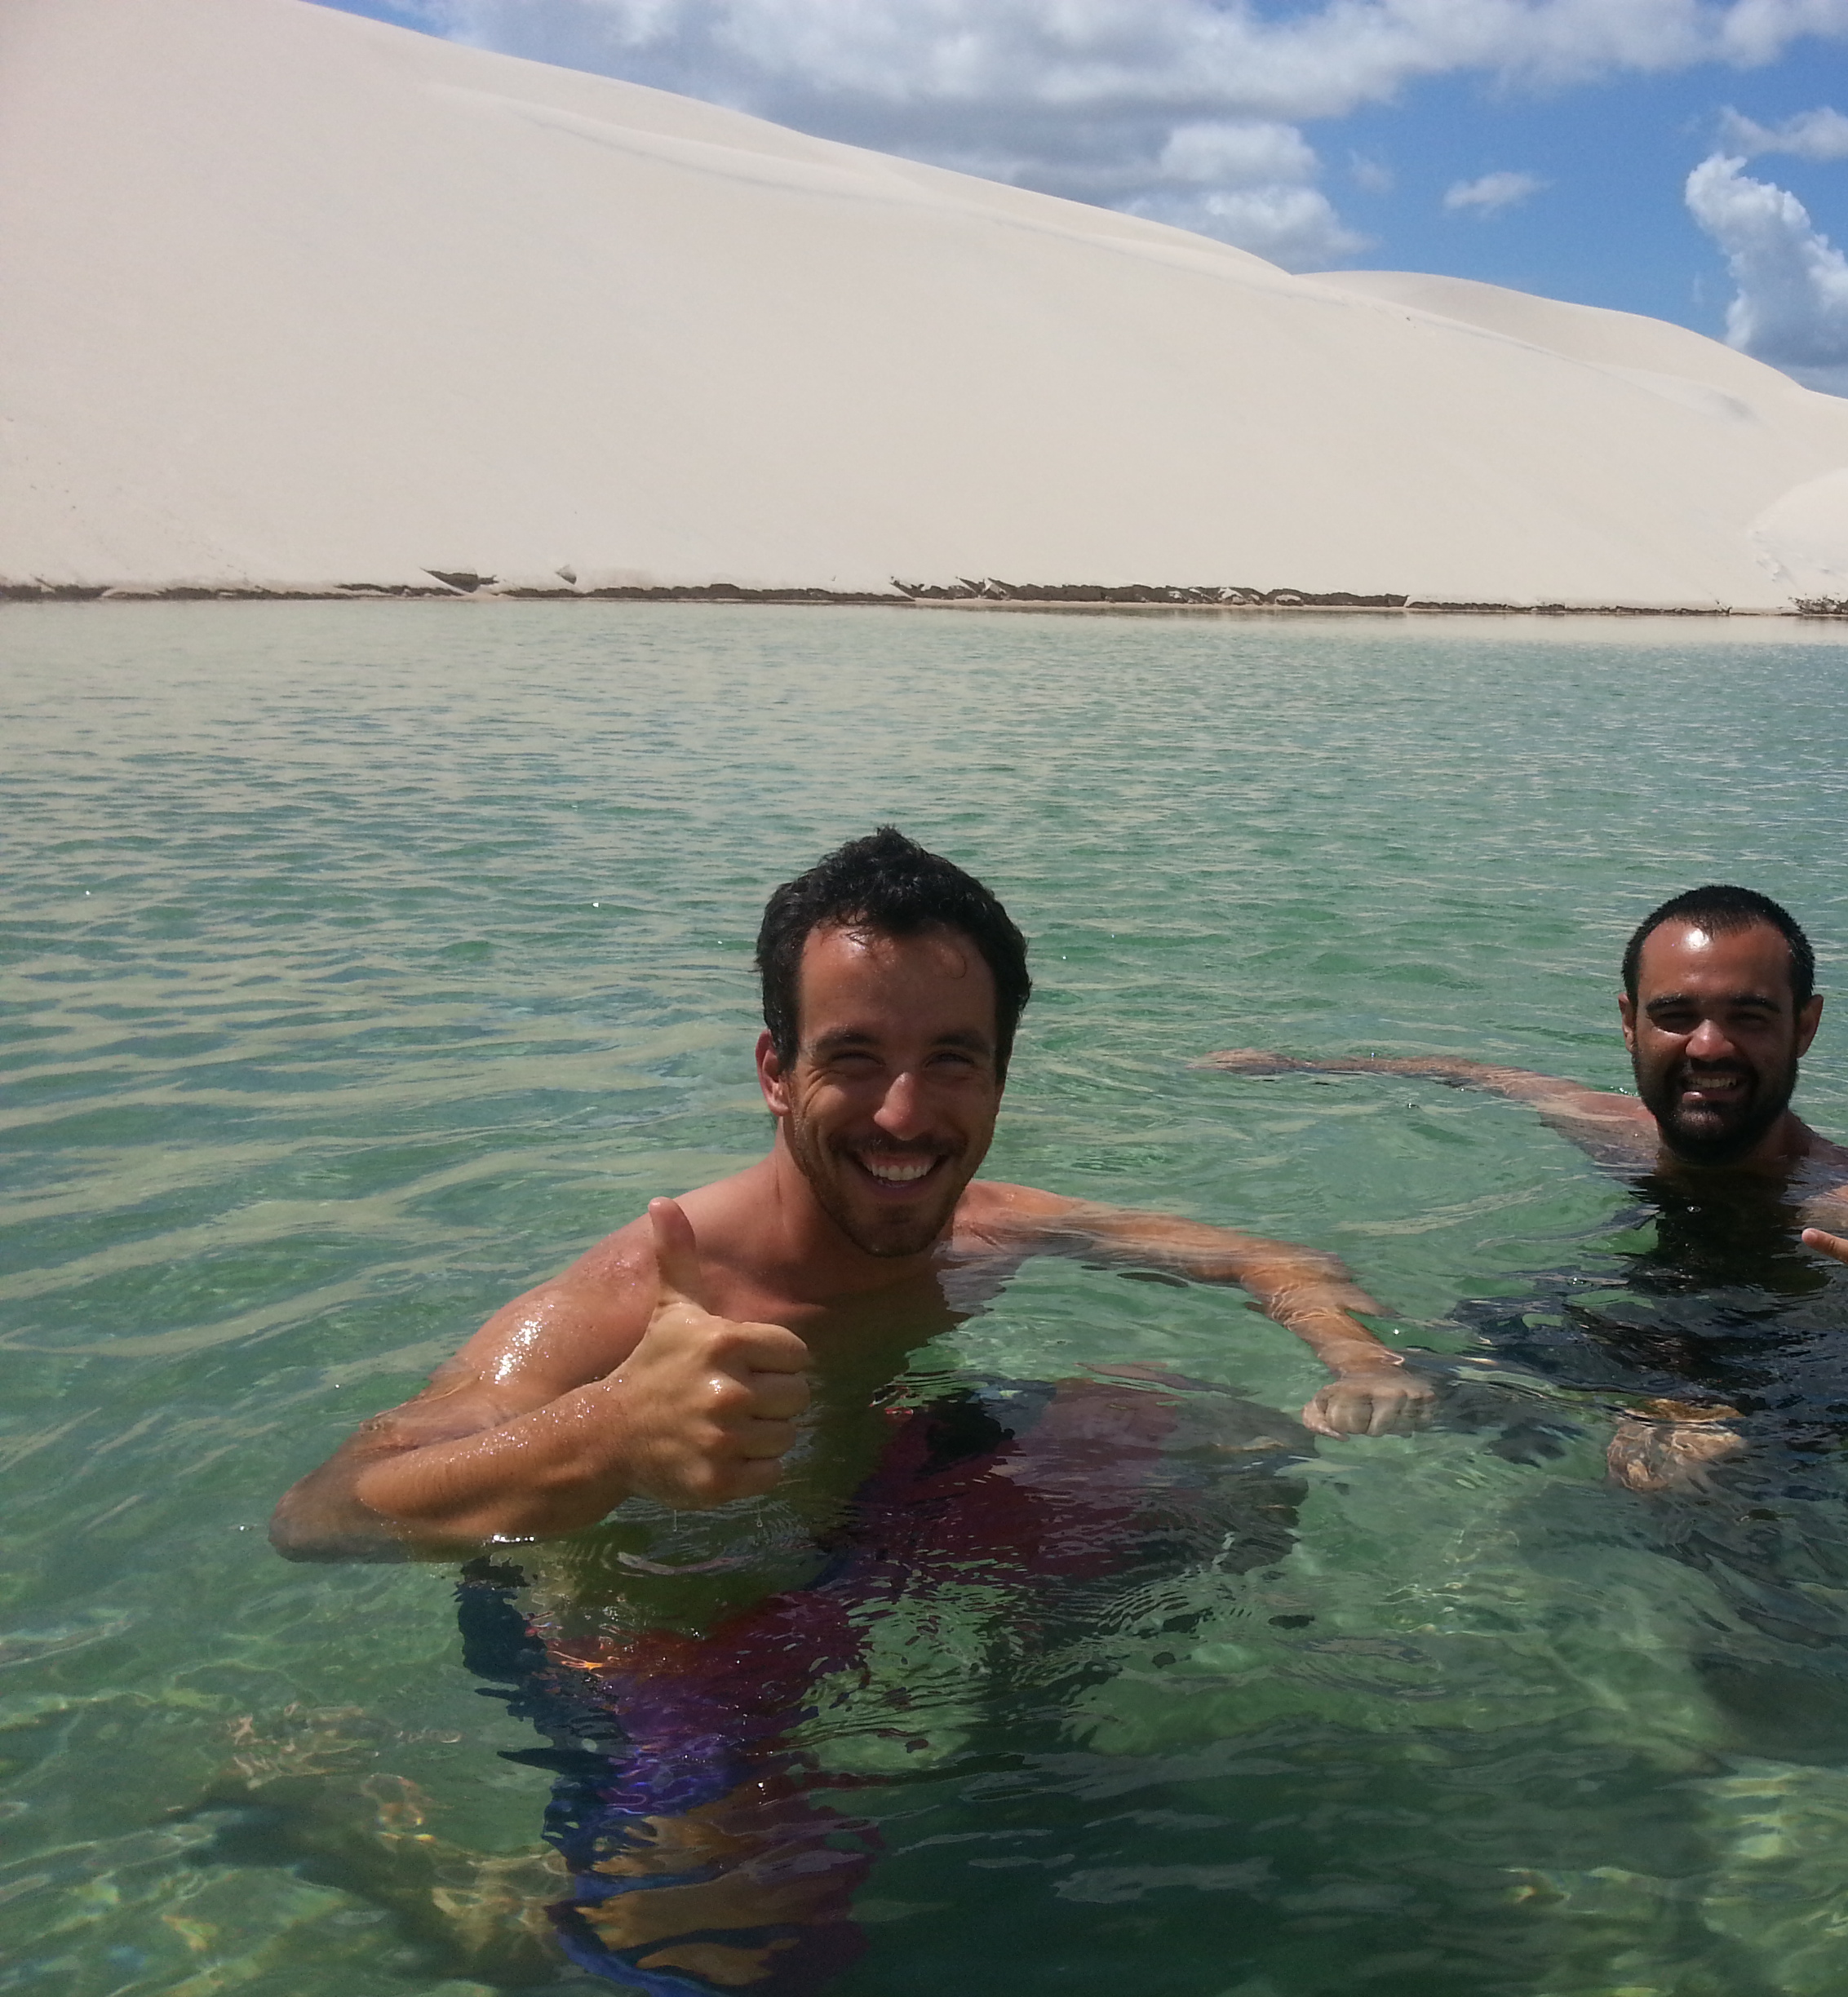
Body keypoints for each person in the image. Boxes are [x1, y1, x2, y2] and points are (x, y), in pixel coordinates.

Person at [268, 825, 1428, 1992]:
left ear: (1000, 1075)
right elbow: (318, 1515)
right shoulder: (637, 1297)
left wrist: (1355, 1357)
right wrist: (611, 1434)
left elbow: (1263, 1259)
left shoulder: (982, 1221)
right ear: (776, 1070)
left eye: (952, 1060)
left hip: (873, 1518)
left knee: (1219, 1441)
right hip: (660, 1635)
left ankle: (1020, 1739)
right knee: (713, 1966)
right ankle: (370, 1842)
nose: (903, 1114)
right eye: (855, 1057)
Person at [1210, 884, 1848, 1492]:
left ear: (1806, 1028)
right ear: (1631, 1022)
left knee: (1706, 1489)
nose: (1708, 1047)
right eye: (1676, 1016)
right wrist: (1296, 1064)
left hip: (1795, 1373)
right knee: (1354, 1397)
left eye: (1748, 1018)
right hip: (1632, 1335)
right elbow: (1478, 1073)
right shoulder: (1613, 1131)